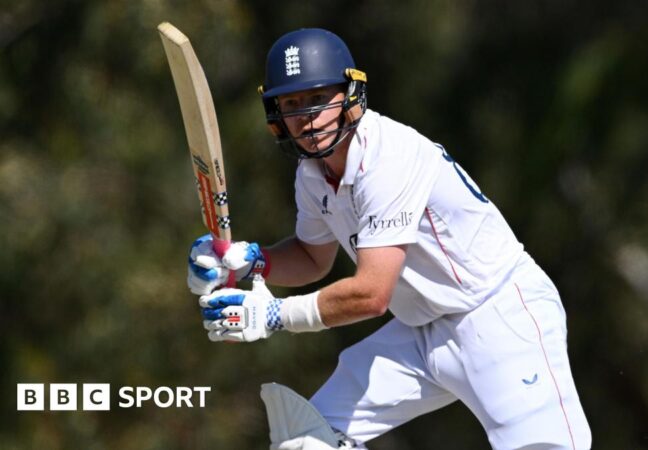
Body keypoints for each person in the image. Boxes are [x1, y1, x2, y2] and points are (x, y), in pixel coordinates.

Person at [188, 28, 592, 450]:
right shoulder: (312, 176)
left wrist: (273, 315)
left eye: (317, 98)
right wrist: (252, 262)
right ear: (276, 114)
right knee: (307, 441)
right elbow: (312, 258)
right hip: (421, 331)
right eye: (291, 103)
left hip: (499, 316)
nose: (306, 115)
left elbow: (372, 294)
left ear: (350, 95)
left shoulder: (388, 158)